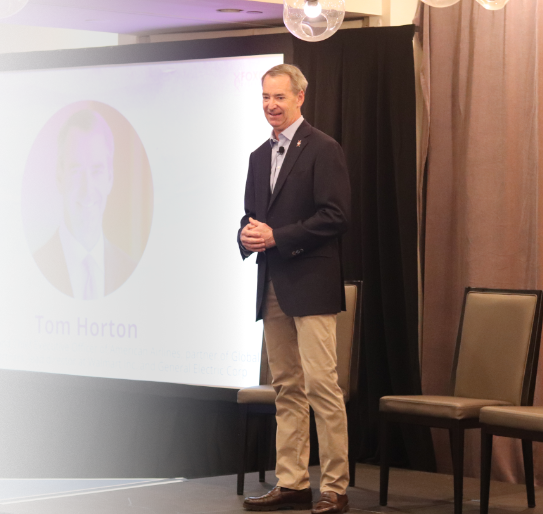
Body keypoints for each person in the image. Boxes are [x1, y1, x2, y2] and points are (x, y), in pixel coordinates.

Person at [238, 64, 351, 513]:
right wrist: (246, 235)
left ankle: (335, 488)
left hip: (311, 283)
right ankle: (293, 483)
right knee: (286, 386)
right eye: (266, 97)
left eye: (279, 97)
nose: (271, 105)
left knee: (322, 385)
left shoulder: (323, 148)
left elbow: (336, 215)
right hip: (272, 284)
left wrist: (277, 237)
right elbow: (252, 215)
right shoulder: (257, 156)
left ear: (300, 97)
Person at [33, 108, 136, 299]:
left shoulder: (131, 271)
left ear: (110, 178)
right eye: (76, 171)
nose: (87, 189)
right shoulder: (34, 268)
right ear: (59, 177)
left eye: (96, 171)